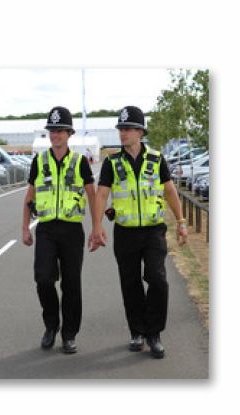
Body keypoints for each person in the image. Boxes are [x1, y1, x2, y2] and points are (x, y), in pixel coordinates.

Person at [90, 106, 188, 359]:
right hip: (125, 233)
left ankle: (154, 333)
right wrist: (97, 226)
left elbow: (169, 191)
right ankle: (137, 331)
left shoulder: (156, 159)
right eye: (121, 129)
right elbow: (102, 195)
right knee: (130, 284)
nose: (123, 133)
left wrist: (181, 221)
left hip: (153, 231)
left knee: (157, 279)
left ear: (140, 131)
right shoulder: (112, 162)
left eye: (128, 128)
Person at [22, 106, 96, 354]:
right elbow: (29, 196)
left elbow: (93, 196)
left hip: (72, 231)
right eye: (51, 130)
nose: (55, 135)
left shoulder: (79, 162)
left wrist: (97, 228)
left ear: (69, 133)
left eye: (59, 130)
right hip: (46, 230)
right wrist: (25, 228)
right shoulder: (39, 162)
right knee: (43, 279)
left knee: (71, 284)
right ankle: (51, 326)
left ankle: (69, 334)